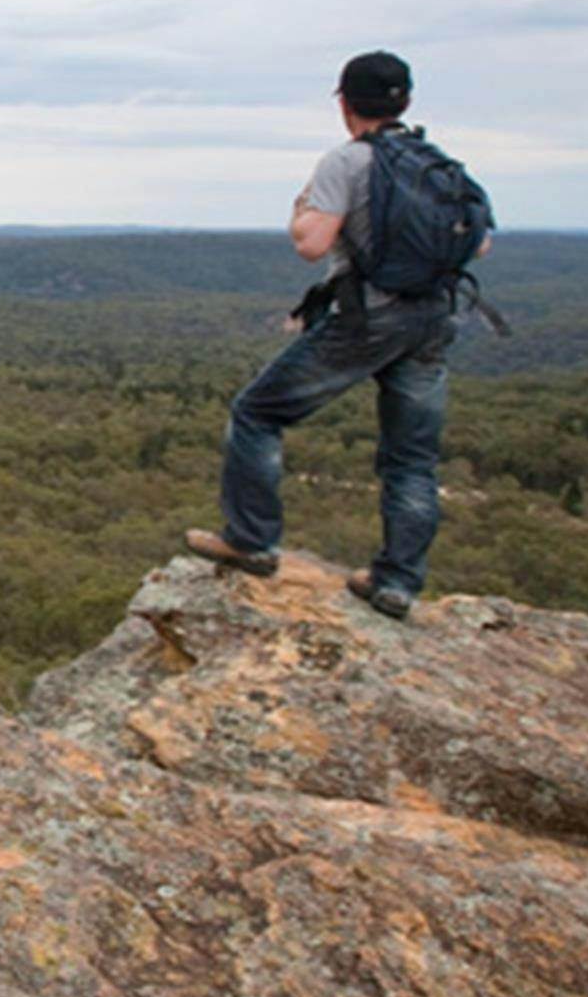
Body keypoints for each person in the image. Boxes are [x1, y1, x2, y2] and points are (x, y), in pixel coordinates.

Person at [183, 51, 483, 620]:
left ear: (345, 103)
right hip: (434, 319)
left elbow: (312, 244)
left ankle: (251, 541)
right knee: (412, 459)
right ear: (406, 103)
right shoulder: (439, 164)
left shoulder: (347, 163)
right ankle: (396, 582)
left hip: (368, 318)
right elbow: (480, 243)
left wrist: (301, 210)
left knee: (257, 413)